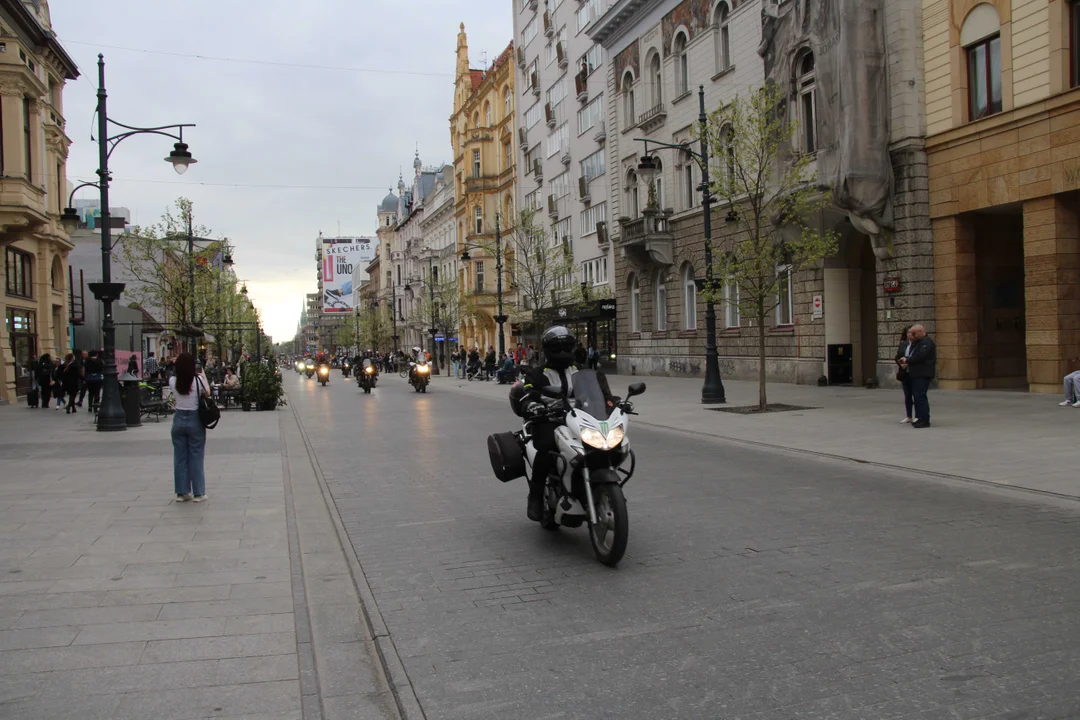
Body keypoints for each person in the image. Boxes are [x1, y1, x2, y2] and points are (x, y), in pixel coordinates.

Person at [518, 326, 579, 521]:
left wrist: (614, 402)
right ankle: (535, 496)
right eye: (557, 348)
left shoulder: (581, 370)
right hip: (548, 419)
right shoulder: (536, 374)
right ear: (547, 349)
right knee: (546, 448)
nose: (562, 352)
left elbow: (600, 390)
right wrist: (532, 405)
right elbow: (527, 393)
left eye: (566, 347)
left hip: (579, 420)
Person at [168, 352, 211, 502]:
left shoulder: (173, 380)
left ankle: (182, 492)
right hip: (194, 420)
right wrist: (202, 373)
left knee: (180, 458)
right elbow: (207, 393)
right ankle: (199, 493)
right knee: (196, 456)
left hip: (178, 419)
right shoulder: (198, 380)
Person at [900, 324, 936, 428]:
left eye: (914, 333)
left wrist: (907, 360)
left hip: (922, 373)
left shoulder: (926, 342)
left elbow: (920, 356)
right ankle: (919, 417)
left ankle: (924, 419)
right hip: (916, 373)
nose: (913, 336)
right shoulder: (919, 342)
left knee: (920, 396)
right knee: (917, 396)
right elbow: (913, 354)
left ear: (920, 331)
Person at [894, 325, 917, 424]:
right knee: (907, 395)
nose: (909, 334)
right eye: (908, 332)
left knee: (917, 395)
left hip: (914, 372)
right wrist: (901, 364)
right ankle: (908, 416)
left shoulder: (918, 344)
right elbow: (897, 357)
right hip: (905, 372)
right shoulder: (904, 344)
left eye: (911, 332)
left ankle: (918, 415)